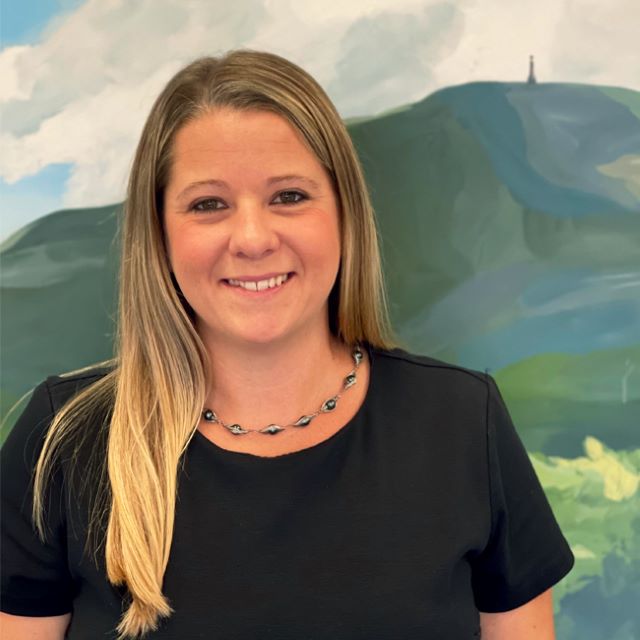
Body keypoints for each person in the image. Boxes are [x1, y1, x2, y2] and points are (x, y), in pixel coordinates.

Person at [0, 49, 574, 640]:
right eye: (208, 204)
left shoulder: (461, 422)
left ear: (344, 213)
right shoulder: (61, 443)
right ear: (159, 234)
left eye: (289, 196)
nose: (252, 238)